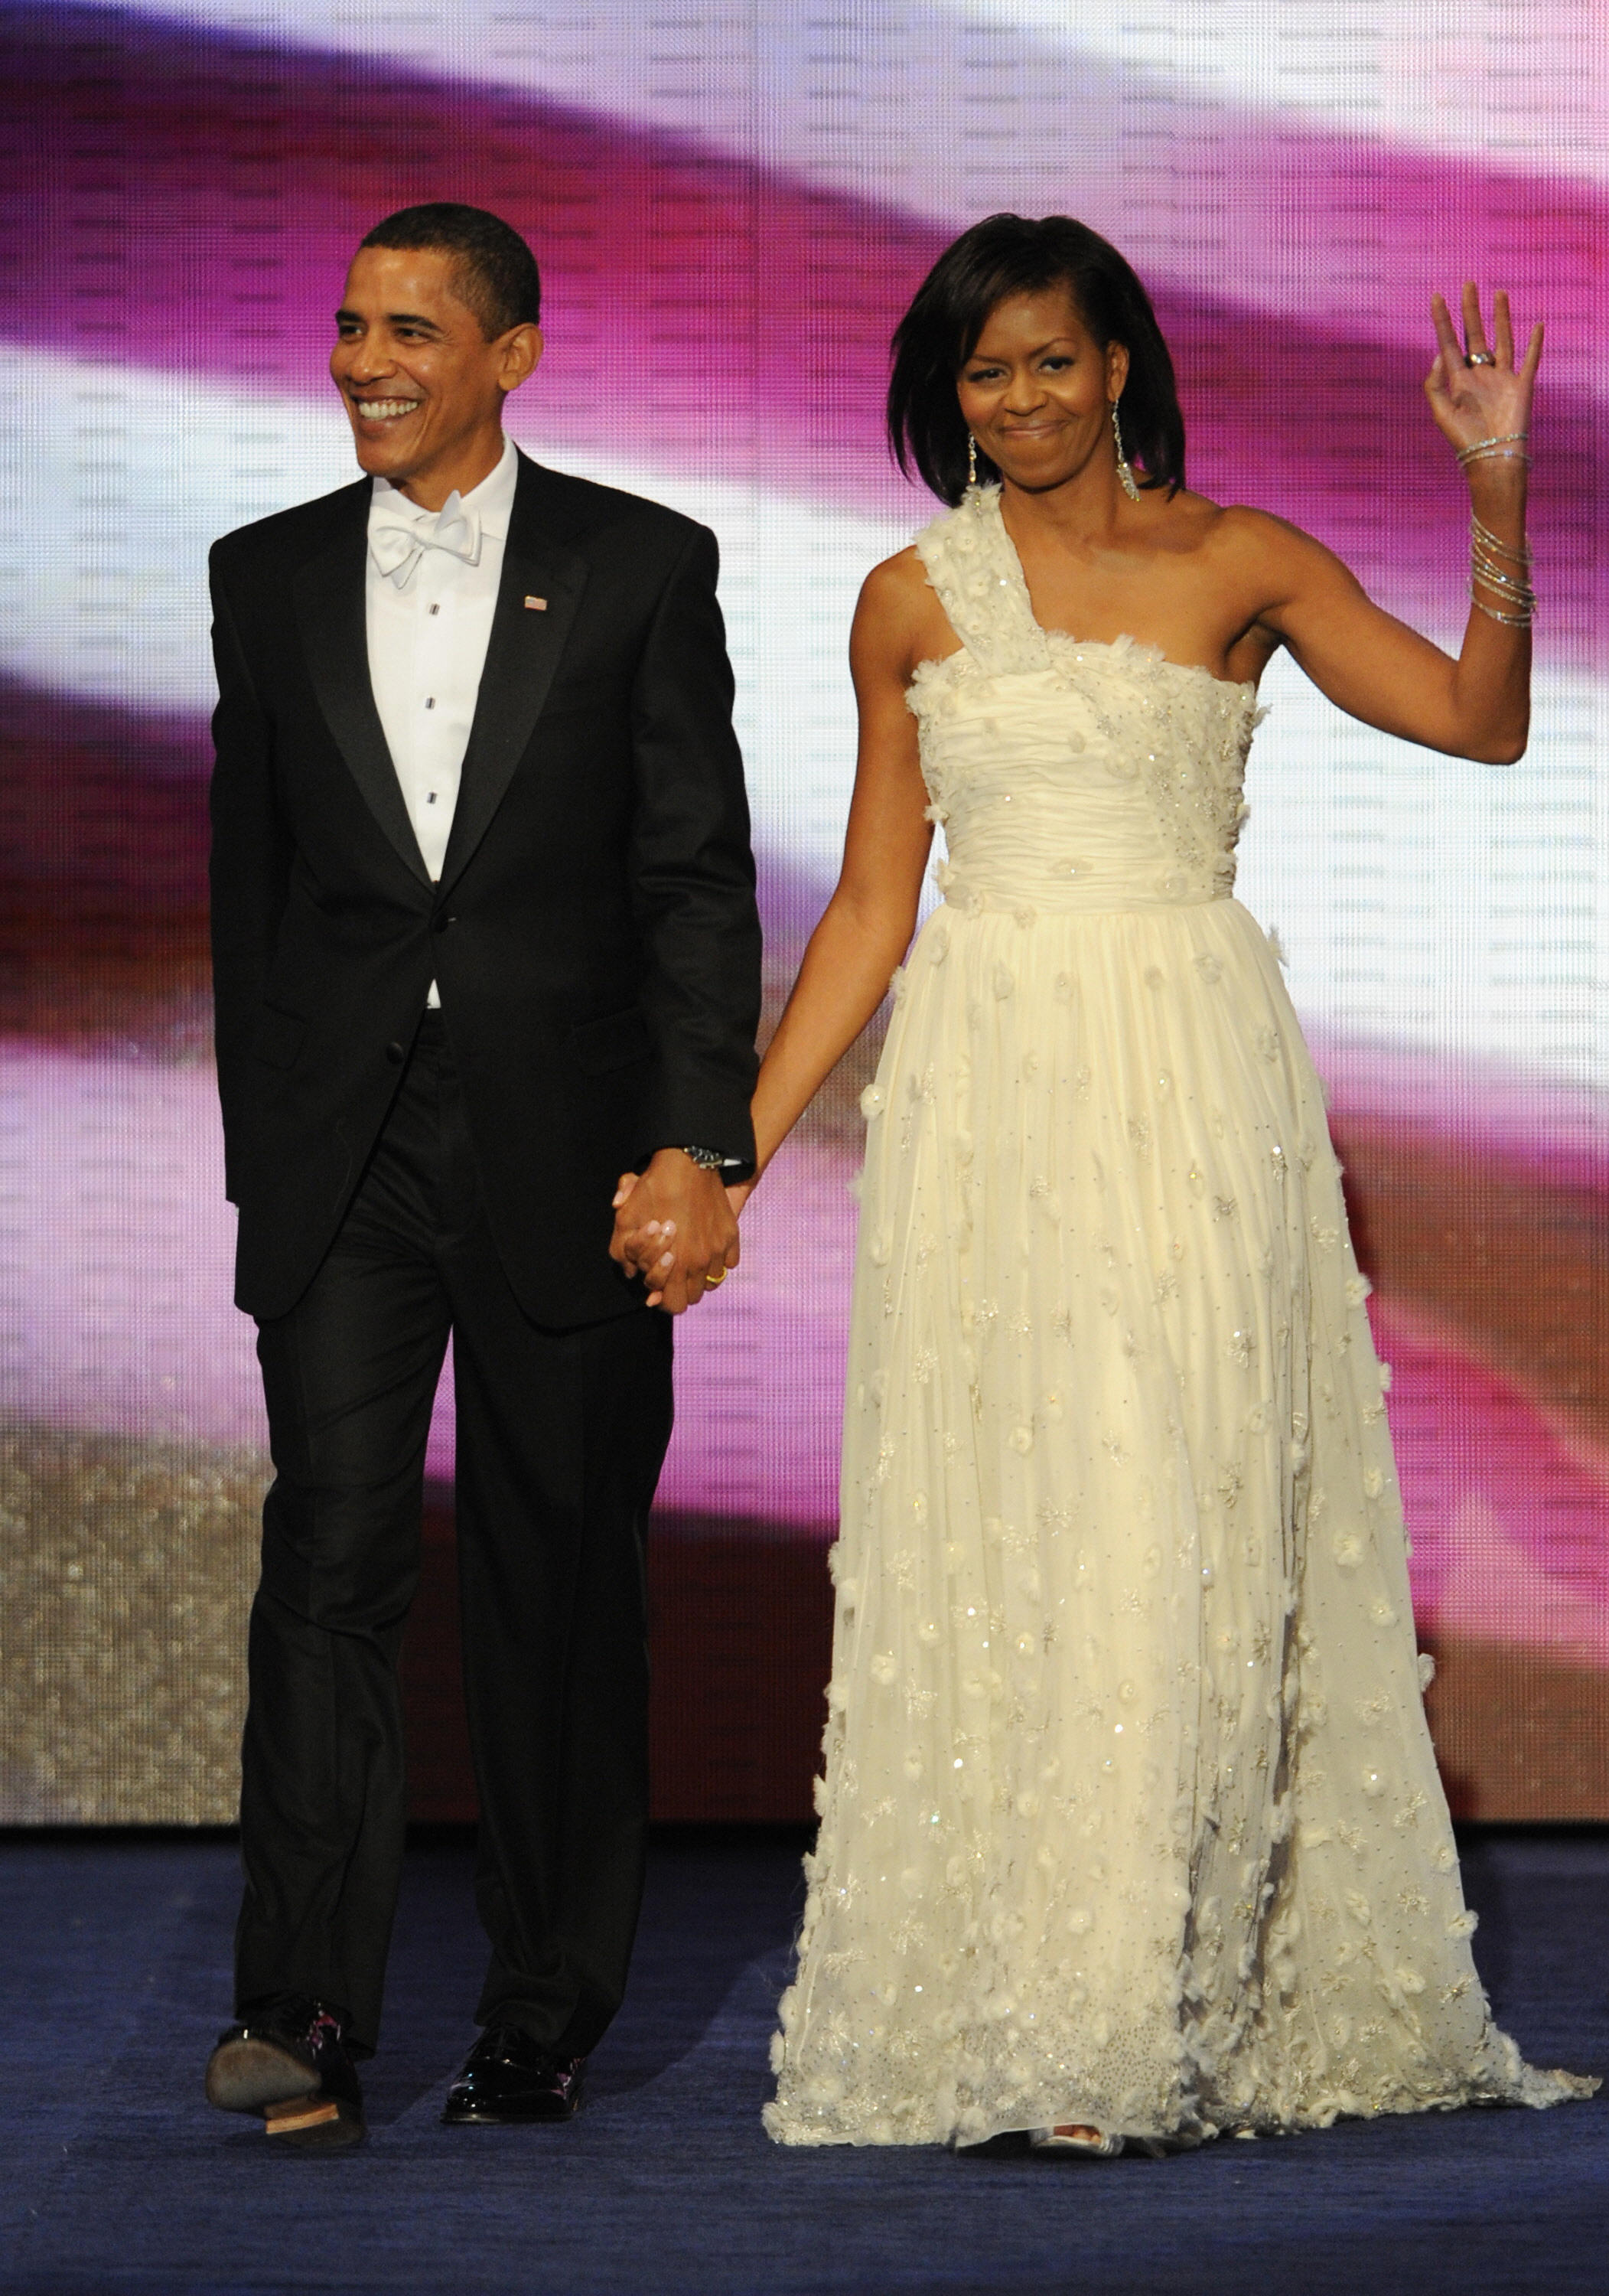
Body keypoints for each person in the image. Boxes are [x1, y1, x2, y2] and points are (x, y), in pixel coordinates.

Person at [642, 211, 1593, 2151]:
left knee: (1178, 1505)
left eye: (1051, 362)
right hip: (987, 1095)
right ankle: (1033, 1998)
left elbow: (1477, 723)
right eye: (984, 374)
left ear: (1123, 366)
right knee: (1021, 1525)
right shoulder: (912, 598)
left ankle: (1126, 2022)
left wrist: (1491, 484)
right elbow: (875, 912)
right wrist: (735, 1147)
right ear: (951, 396)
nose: (1019, 401)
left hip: (1187, 1071)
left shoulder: (1237, 560)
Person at [202, 203, 760, 2151]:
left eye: (415, 331)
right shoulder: (260, 577)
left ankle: (539, 2011)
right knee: (329, 1562)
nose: (368, 360)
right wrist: (261, 1157)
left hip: (573, 1152)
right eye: (351, 324)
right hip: (346, 1157)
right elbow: (249, 896)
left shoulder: (636, 564)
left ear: (512, 354)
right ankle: (302, 2003)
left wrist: (703, 1143)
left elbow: (694, 881)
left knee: (553, 1582)